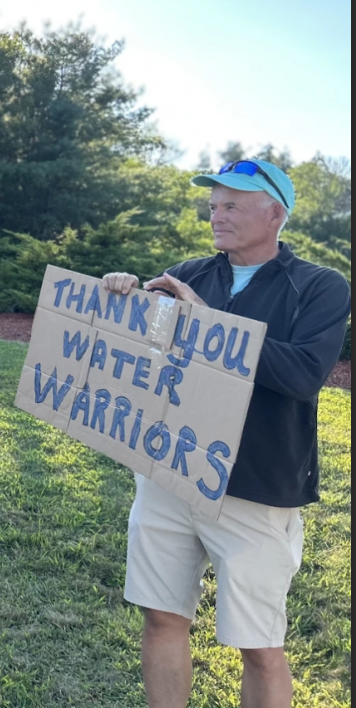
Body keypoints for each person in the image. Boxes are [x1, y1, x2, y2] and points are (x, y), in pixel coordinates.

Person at [101, 159, 350, 708]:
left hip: (256, 488)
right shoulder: (187, 273)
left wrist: (209, 323)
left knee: (259, 644)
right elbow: (147, 352)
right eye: (214, 206)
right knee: (163, 617)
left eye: (232, 205)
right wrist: (118, 302)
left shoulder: (322, 286)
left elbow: (304, 374)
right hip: (169, 471)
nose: (217, 216)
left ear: (275, 213)